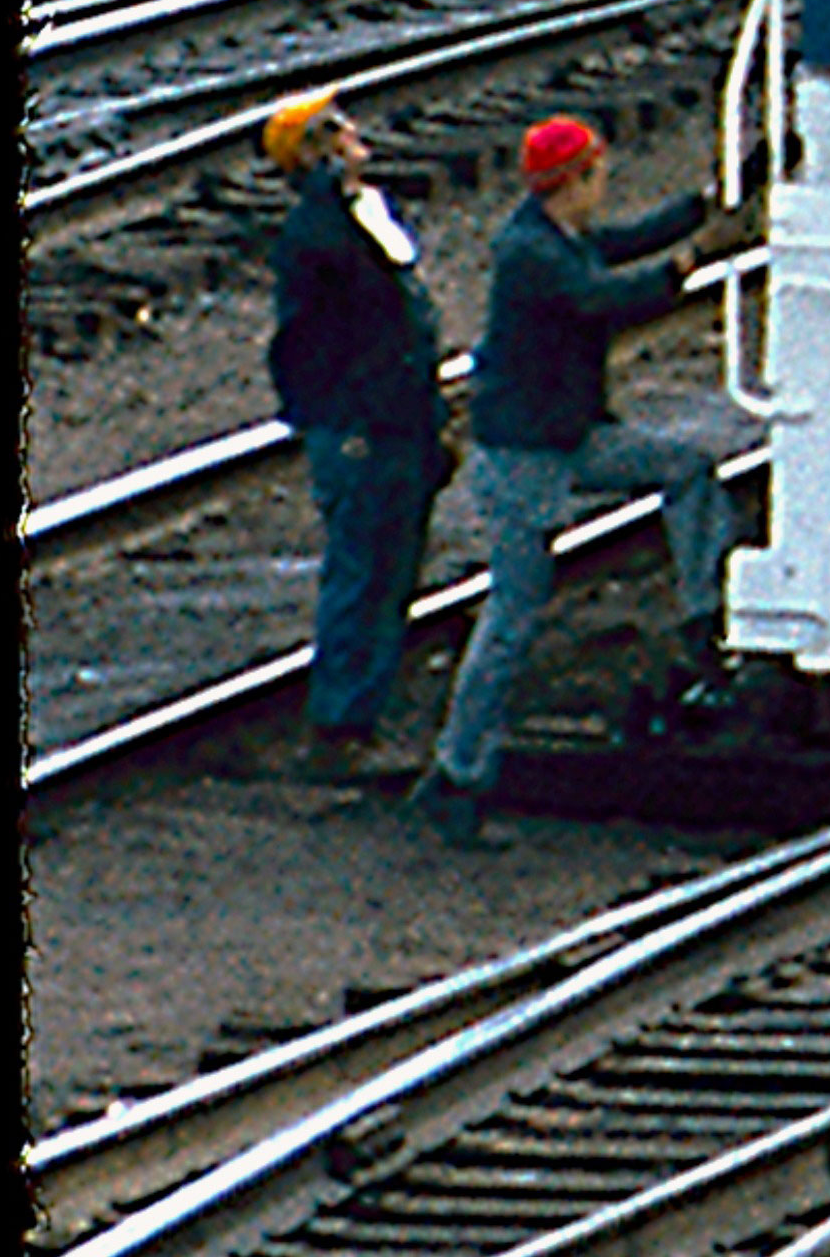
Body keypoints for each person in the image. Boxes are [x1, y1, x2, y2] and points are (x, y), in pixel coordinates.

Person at [425, 109, 758, 850]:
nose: (606, 187)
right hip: (524, 458)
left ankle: (704, 613)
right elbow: (607, 296)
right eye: (599, 174)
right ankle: (457, 773)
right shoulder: (532, 256)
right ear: (572, 181)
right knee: (511, 620)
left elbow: (622, 243)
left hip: (560, 439)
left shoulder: (548, 235)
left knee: (686, 469)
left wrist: (706, 206)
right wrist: (693, 256)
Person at [263, 95, 451, 760]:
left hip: (393, 422)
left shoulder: (354, 218)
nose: (355, 137)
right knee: (365, 571)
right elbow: (317, 344)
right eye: (337, 131)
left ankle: (355, 716)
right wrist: (344, 418)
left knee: (384, 572)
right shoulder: (321, 235)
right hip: (366, 428)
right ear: (317, 153)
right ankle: (343, 719)